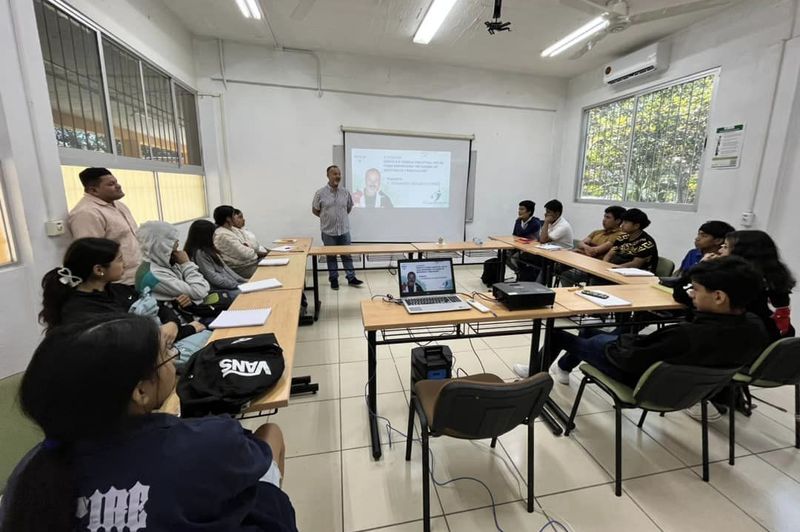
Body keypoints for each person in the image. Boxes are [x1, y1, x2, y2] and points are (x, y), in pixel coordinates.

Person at [0, 315, 297, 531]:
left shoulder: (28, 475)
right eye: (166, 354)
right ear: (140, 392)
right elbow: (252, 459)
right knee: (270, 436)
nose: (172, 360)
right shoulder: (206, 442)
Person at [512, 257, 768, 393]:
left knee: (558, 334)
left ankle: (532, 386)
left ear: (719, 296)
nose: (690, 294)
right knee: (589, 329)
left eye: (696, 290)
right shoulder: (755, 326)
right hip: (688, 388)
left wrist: (621, 340)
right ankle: (565, 367)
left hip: (635, 375)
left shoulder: (687, 334)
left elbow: (630, 356)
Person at [38, 237, 209, 362]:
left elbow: (161, 309)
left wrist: (172, 324)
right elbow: (137, 343)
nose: (125, 264)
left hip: (163, 348)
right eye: (119, 260)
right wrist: (187, 330)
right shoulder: (83, 312)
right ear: (99, 269)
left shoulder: (118, 290)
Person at [674, 230, 795, 340]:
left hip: (738, 344)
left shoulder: (735, 281)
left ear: (741, 254)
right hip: (773, 344)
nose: (719, 251)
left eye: (725, 247)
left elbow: (681, 294)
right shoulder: (774, 278)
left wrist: (701, 268)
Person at [67, 167, 141, 286]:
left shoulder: (119, 205)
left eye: (116, 182)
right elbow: (91, 255)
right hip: (118, 283)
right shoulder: (86, 213)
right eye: (111, 184)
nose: (118, 186)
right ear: (93, 190)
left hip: (136, 276)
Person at [312, 165, 363, 290]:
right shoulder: (320, 193)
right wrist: (327, 218)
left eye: (339, 174)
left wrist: (340, 219)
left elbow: (349, 208)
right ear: (328, 176)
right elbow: (315, 210)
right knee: (331, 256)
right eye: (334, 174)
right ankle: (333, 279)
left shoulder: (345, 192)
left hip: (344, 231)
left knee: (347, 255)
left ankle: (351, 278)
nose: (337, 176)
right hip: (328, 231)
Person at [135, 221, 210, 305]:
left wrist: (193, 298)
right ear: (161, 244)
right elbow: (200, 291)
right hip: (177, 316)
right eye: (172, 239)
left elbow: (201, 290)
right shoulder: (153, 275)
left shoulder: (163, 260)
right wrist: (187, 264)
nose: (177, 242)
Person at [559, 206, 625, 286]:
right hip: (584, 262)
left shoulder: (619, 235)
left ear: (618, 221)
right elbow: (581, 243)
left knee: (567, 275)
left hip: (597, 268)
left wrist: (584, 249)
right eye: (604, 216)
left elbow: (595, 251)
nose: (604, 219)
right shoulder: (597, 232)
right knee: (558, 266)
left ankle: (567, 296)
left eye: (608, 217)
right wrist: (587, 248)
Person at [185, 219, 248, 292]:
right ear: (206, 236)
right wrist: (237, 285)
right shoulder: (199, 254)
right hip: (219, 291)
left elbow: (226, 269)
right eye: (212, 233)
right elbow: (213, 278)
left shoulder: (210, 249)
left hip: (231, 285)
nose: (215, 235)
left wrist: (243, 281)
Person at [213, 205, 266, 279]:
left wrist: (247, 246)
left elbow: (254, 245)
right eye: (233, 215)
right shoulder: (222, 235)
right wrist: (249, 248)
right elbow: (245, 254)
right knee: (271, 271)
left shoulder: (233, 229)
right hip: (241, 269)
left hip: (251, 263)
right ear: (228, 218)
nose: (235, 217)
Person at [603, 208, 659, 273]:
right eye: (623, 221)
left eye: (626, 222)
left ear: (636, 226)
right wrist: (604, 266)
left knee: (596, 281)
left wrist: (615, 269)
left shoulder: (646, 243)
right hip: (617, 270)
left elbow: (635, 264)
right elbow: (609, 254)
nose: (622, 225)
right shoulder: (622, 237)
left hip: (637, 275)